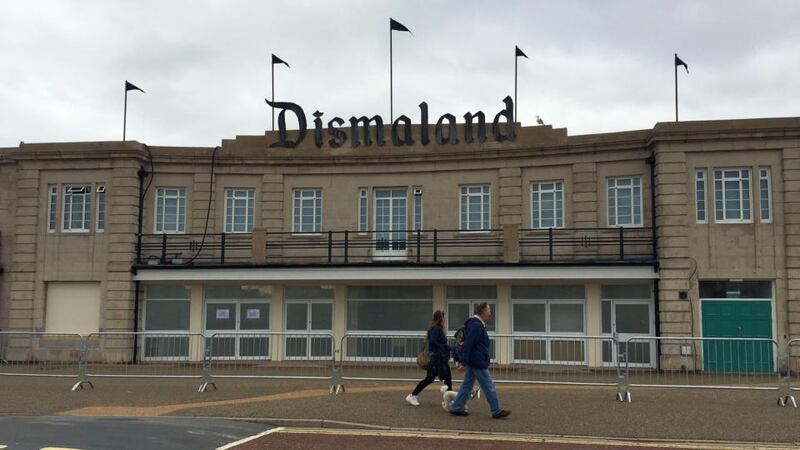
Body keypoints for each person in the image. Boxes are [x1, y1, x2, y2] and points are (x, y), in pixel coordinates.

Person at [448, 302, 510, 418]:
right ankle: (496, 410)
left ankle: (457, 407)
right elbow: (469, 344)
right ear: (483, 312)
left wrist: (465, 362)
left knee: (467, 385)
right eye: (489, 310)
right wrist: (464, 362)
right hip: (477, 361)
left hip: (474, 360)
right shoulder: (476, 326)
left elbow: (469, 345)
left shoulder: (475, 325)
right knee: (488, 385)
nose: (490, 313)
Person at [405, 310, 453, 406]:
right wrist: (444, 347)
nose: (445, 319)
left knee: (444, 377)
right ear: (441, 318)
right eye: (444, 317)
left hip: (439, 358)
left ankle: (449, 399)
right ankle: (412, 395)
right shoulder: (436, 329)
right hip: (436, 358)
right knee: (433, 378)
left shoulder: (436, 328)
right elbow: (434, 342)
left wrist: (451, 348)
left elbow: (440, 343)